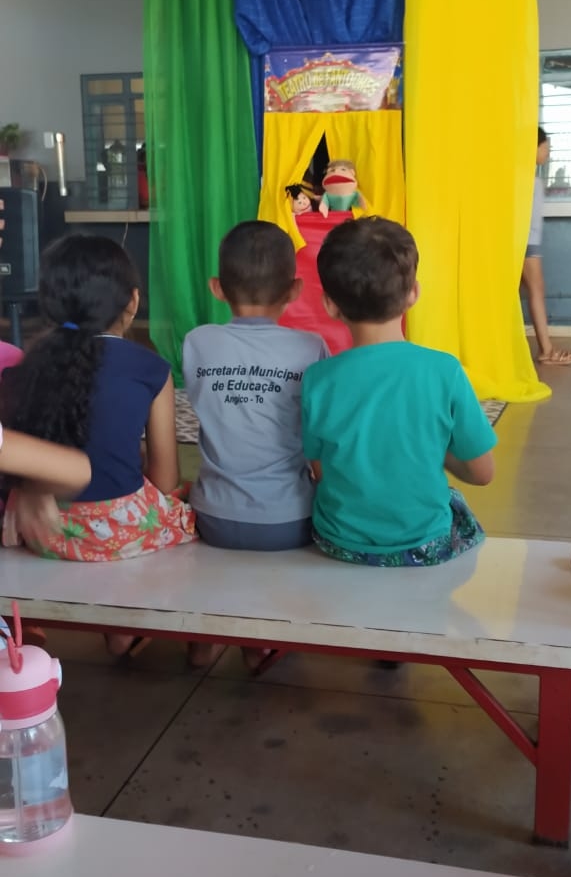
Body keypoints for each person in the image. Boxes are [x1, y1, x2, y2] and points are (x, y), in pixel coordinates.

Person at [0, 234, 196, 658]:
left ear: (49, 303)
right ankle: (129, 626)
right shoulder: (151, 368)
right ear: (133, 302)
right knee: (186, 509)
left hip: (40, 531)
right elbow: (165, 480)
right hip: (117, 534)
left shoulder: (22, 368)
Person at [301, 217, 496, 567]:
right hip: (423, 545)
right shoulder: (445, 370)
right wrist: (437, 449)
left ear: (330, 304)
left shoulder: (318, 378)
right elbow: (482, 474)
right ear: (413, 293)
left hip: (340, 543)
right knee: (454, 502)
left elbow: (321, 472)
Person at [183, 220, 329, 553]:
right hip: (293, 521)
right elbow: (320, 439)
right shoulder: (311, 347)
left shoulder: (197, 342)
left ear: (216, 288)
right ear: (295, 290)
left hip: (212, 519)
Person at [521, 127, 571, 367]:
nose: (548, 153)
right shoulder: (526, 180)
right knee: (537, 290)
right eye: (545, 147)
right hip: (527, 244)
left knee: (528, 292)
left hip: (528, 243)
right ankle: (546, 350)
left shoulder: (529, 179)